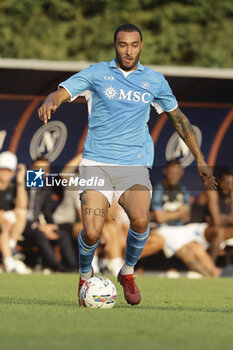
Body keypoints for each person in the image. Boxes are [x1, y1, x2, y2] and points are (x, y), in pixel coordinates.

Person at [38, 23, 217, 306]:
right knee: (93, 231)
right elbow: (62, 91)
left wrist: (201, 159)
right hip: (96, 162)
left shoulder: (155, 81)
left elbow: (179, 120)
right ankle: (85, 275)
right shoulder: (97, 73)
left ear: (141, 46)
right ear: (115, 46)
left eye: (134, 45)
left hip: (133, 165)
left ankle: (128, 272)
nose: (128, 50)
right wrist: (52, 100)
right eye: (123, 45)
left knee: (141, 219)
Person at [23, 157, 77, 272]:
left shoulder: (46, 189)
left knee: (61, 234)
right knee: (40, 235)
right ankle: (57, 268)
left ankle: (72, 268)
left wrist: (52, 226)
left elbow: (47, 212)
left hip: (38, 225)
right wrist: (38, 226)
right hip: (22, 225)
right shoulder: (21, 185)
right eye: (38, 168)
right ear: (31, 169)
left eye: (44, 169)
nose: (40, 172)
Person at [141, 223, 233, 277]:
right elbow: (190, 260)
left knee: (199, 252)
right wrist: (209, 276)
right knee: (189, 255)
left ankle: (215, 274)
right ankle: (212, 276)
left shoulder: (196, 242)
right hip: (167, 235)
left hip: (181, 236)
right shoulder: (211, 231)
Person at [190, 169, 233, 261]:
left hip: (209, 229)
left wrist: (225, 219)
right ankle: (210, 269)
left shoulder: (229, 194)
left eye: (230, 183)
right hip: (195, 229)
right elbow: (217, 221)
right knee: (219, 232)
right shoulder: (211, 191)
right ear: (218, 181)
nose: (227, 186)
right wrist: (227, 219)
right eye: (225, 182)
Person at [0, 151, 29, 273]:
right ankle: (8, 262)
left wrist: (20, 182)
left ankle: (10, 246)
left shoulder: (13, 187)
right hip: (2, 225)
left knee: (21, 212)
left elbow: (23, 205)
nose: (5, 172)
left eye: (9, 170)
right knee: (2, 225)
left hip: (7, 228)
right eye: (3, 169)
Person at [151, 159, 190, 226]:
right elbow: (159, 217)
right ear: (165, 171)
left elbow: (186, 217)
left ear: (182, 172)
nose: (174, 176)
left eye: (177, 173)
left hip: (179, 229)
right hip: (161, 228)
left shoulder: (183, 189)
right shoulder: (158, 188)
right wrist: (179, 214)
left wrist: (166, 215)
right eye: (171, 173)